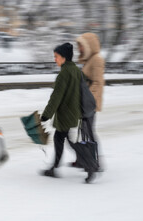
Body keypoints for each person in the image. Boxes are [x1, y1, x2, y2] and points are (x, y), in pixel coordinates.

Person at [40, 42, 82, 179]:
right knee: (67, 139)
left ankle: (54, 168)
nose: (55, 59)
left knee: (59, 139)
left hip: (65, 114)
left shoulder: (64, 74)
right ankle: (84, 159)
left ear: (64, 57)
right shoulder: (76, 70)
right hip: (73, 112)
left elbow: (56, 97)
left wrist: (46, 114)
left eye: (56, 56)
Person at [72, 32, 105, 171]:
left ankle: (95, 162)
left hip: (89, 103)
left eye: (81, 46)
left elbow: (97, 83)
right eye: (78, 46)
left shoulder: (96, 59)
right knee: (84, 131)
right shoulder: (89, 60)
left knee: (89, 132)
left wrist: (88, 102)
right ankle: (83, 159)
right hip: (85, 102)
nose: (79, 49)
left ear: (89, 45)